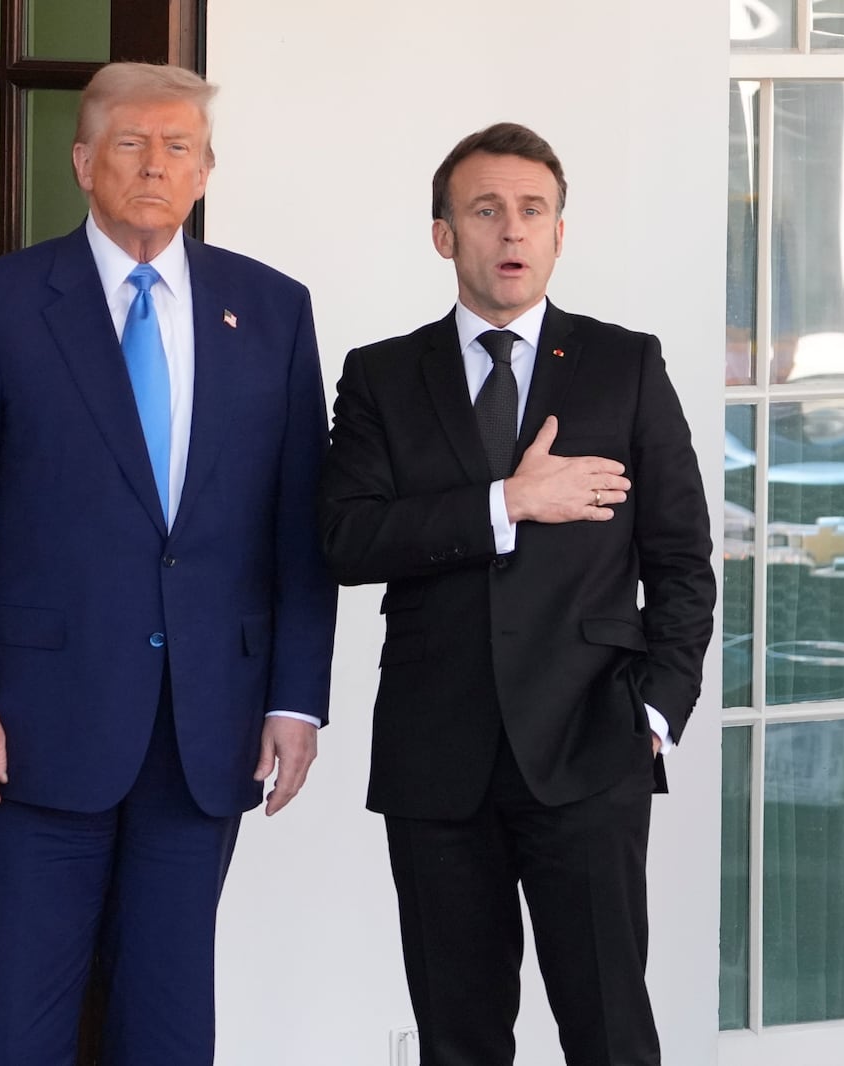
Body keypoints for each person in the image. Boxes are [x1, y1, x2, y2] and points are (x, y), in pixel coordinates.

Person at [0, 62, 337, 1065]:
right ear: (82, 161)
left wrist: (296, 699)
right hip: (27, 729)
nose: (156, 165)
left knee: (169, 1024)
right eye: (132, 144)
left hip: (208, 729)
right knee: (16, 1024)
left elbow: (297, 518)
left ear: (206, 170)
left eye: (177, 146)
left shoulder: (271, 310)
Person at [319, 123, 716, 1066]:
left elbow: (683, 556)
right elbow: (345, 539)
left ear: (559, 233)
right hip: (435, 752)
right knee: (459, 1038)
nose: (511, 231)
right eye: (485, 210)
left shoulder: (625, 365)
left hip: (591, 746)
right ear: (442, 233)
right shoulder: (380, 375)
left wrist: (655, 712)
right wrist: (508, 502)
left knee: (611, 1029)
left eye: (532, 211)